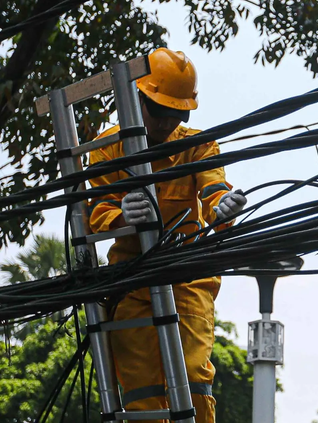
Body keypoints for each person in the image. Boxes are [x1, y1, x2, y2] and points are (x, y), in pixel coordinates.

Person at [88, 47, 247, 423]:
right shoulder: (108, 148)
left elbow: (213, 188)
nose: (167, 122)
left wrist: (224, 207)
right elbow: (93, 210)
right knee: (143, 392)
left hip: (188, 277)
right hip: (131, 279)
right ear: (138, 99)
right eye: (160, 111)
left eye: (179, 112)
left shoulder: (197, 144)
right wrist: (119, 215)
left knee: (192, 377)